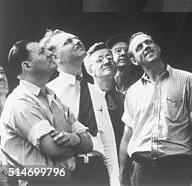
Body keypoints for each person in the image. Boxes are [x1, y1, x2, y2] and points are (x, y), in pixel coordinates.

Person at [0, 40, 92, 186]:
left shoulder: (53, 97)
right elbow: (54, 149)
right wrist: (78, 141)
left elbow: (89, 143)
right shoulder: (20, 102)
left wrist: (75, 139)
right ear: (27, 65)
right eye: (43, 52)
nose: (51, 54)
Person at [119, 32, 192, 186]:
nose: (146, 47)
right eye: (139, 47)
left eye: (148, 42)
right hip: (142, 170)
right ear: (133, 60)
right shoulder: (132, 92)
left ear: (158, 48)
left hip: (178, 168)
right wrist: (120, 176)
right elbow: (127, 136)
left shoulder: (187, 79)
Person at [40, 29, 120, 186]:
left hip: (98, 171)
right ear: (55, 57)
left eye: (76, 38)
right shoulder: (49, 93)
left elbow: (107, 140)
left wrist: (115, 180)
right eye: (67, 42)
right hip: (67, 172)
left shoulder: (95, 91)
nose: (76, 41)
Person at [84, 42, 124, 151]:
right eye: (99, 60)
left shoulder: (124, 99)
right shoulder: (85, 98)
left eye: (109, 57)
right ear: (90, 70)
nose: (106, 62)